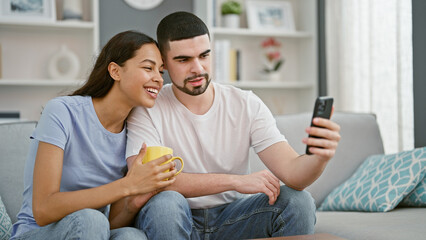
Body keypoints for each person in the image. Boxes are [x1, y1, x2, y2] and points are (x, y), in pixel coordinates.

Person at [126, 12, 341, 239]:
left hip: (234, 218)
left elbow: (294, 175)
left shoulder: (245, 103)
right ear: (164, 64)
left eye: (204, 55)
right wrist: (236, 181)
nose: (198, 68)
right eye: (183, 60)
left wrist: (320, 157)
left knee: (298, 201)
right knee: (165, 202)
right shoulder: (147, 107)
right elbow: (150, 182)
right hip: (176, 217)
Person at [10, 30, 177, 240]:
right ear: (115, 71)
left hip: (92, 230)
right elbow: (43, 210)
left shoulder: (134, 132)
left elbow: (108, 224)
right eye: (148, 68)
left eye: (161, 72)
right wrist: (126, 186)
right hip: (38, 232)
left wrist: (133, 200)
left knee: (131, 236)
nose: (158, 79)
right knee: (91, 220)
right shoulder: (62, 112)